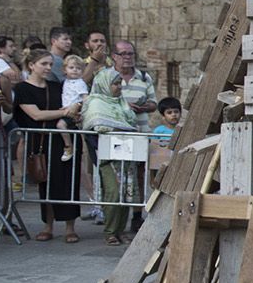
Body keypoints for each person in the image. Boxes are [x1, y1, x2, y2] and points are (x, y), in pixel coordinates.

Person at [85, 40, 153, 246]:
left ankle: (121, 229)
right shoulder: (96, 103)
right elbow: (95, 125)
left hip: (128, 151)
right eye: (114, 84)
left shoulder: (123, 102)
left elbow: (131, 122)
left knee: (127, 192)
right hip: (108, 155)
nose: (118, 87)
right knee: (113, 192)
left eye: (118, 83)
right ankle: (110, 230)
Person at [12, 49, 82, 242]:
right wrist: (64, 112)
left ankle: (70, 227)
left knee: (68, 181)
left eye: (50, 64)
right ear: (31, 65)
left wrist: (71, 111)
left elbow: (75, 99)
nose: (48, 68)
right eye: (44, 64)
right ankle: (48, 225)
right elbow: (36, 115)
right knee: (46, 182)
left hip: (62, 138)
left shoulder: (56, 86)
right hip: (41, 140)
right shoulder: (22, 89)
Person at [59, 54, 89, 160]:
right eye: (71, 68)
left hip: (74, 112)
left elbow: (85, 98)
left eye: (78, 68)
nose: (75, 70)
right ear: (65, 69)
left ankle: (68, 147)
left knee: (60, 125)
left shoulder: (80, 83)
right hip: (66, 109)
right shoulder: (65, 82)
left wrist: (81, 110)